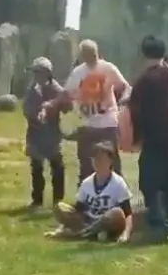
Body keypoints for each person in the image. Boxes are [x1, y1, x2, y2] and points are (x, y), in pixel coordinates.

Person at [127, 36, 168, 242]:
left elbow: (136, 110)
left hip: (154, 139)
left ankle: (158, 225)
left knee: (149, 183)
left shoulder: (145, 81)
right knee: (167, 185)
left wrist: (136, 137)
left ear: (145, 55)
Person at [45, 39, 130, 182]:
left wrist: (124, 100)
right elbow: (67, 93)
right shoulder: (78, 72)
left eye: (93, 54)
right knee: (86, 164)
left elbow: (124, 86)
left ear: (97, 53)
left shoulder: (108, 68)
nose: (91, 57)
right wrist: (53, 104)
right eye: (87, 54)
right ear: (82, 56)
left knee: (112, 162)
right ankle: (86, 193)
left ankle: (117, 192)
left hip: (108, 123)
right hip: (87, 124)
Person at [46, 141, 134, 242]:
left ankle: (84, 233)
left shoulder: (118, 183)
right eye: (95, 158)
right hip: (88, 222)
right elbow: (78, 210)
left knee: (116, 213)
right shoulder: (87, 183)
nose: (97, 162)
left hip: (107, 221)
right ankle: (90, 233)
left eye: (101, 159)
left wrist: (125, 234)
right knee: (60, 207)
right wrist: (59, 230)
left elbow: (128, 214)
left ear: (110, 161)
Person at [22, 57, 66, 211]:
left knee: (57, 168)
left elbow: (65, 106)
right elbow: (26, 108)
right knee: (36, 169)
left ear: (47, 73)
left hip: (52, 136)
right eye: (35, 72)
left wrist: (51, 109)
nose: (36, 76)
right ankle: (37, 200)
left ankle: (58, 200)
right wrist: (34, 116)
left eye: (38, 72)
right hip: (35, 134)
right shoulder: (32, 89)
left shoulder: (57, 90)